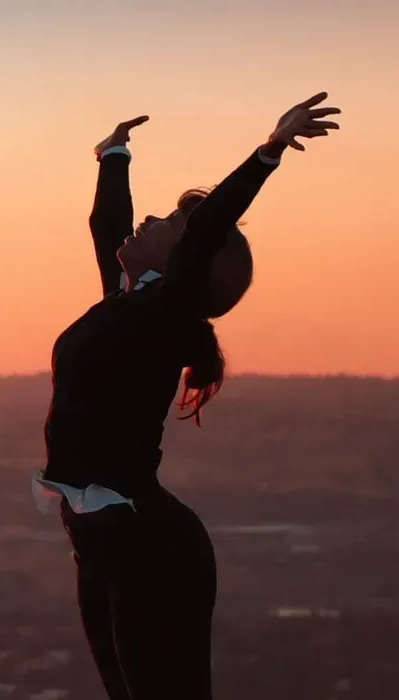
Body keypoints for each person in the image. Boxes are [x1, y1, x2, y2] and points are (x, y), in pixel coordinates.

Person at [32, 93, 343, 699]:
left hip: (151, 550)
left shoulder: (162, 315)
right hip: (100, 541)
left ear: (185, 260)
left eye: (169, 224)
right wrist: (113, 156)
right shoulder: (127, 303)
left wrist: (270, 151)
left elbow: (205, 232)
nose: (151, 219)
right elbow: (109, 227)